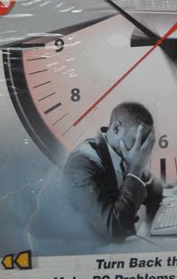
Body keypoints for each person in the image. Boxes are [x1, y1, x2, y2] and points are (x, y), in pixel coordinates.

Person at [63, 102, 163, 245]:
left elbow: (155, 192)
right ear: (116, 129)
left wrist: (139, 169)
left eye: (147, 142)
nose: (142, 149)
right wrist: (136, 169)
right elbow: (114, 229)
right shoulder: (82, 164)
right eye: (139, 139)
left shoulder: (122, 151)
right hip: (88, 249)